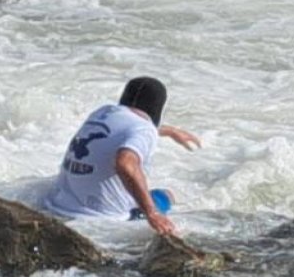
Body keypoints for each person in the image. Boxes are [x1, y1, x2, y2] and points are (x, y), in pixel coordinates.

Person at [42, 76, 200, 236]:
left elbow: (123, 129)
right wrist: (152, 213)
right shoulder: (144, 130)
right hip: (102, 219)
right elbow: (125, 163)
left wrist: (170, 131)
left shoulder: (103, 112)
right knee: (168, 195)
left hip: (58, 205)